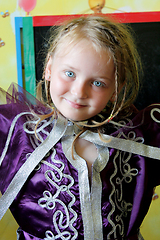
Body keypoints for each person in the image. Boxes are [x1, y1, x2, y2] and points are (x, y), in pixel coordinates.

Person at [0, 15, 160, 240]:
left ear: (115, 89)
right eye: (69, 73)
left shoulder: (140, 137)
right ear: (48, 68)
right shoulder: (14, 131)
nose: (78, 92)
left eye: (97, 83)